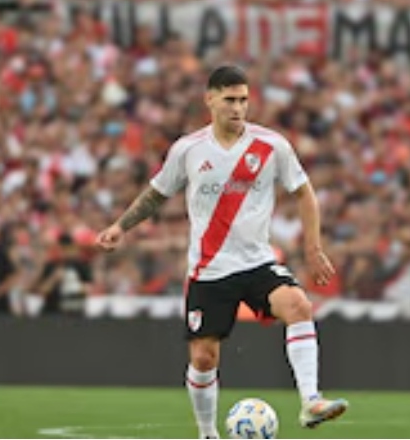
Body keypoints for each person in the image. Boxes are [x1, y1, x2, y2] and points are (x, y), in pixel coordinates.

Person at [95, 65, 348, 439]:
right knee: (203, 358)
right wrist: (120, 226)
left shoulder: (271, 145)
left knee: (298, 305)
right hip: (209, 270)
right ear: (209, 100)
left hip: (258, 262)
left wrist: (313, 248)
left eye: (243, 100)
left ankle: (311, 401)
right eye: (229, 100)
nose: (238, 108)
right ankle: (207, 433)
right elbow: (156, 194)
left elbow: (304, 193)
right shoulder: (188, 150)